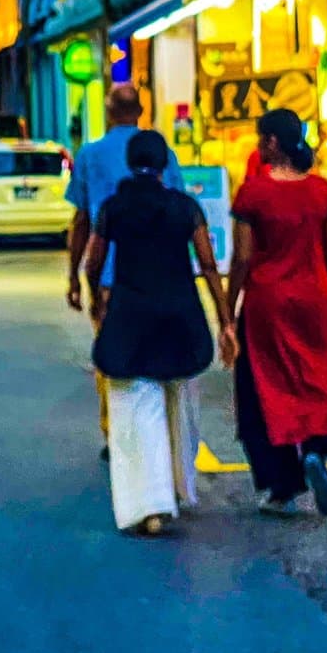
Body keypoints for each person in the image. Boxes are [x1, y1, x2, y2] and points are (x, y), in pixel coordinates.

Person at [85, 131, 237, 535]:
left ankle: (149, 505)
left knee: (136, 405)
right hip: (180, 319)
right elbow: (208, 266)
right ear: (165, 164)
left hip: (130, 319)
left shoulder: (113, 208)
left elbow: (93, 261)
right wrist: (226, 323)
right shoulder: (185, 208)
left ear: (130, 163)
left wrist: (95, 300)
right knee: (181, 404)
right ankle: (179, 488)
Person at [227, 108, 327, 518]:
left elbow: (242, 257)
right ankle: (317, 453)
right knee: (317, 380)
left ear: (272, 142)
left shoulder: (252, 193)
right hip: (313, 300)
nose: (257, 146)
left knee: (262, 391)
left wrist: (228, 306)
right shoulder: (321, 191)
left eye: (260, 139)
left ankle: (283, 486)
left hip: (267, 304)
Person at [66, 84, 185, 461]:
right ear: (142, 108)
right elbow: (181, 210)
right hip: (161, 274)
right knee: (159, 352)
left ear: (108, 111)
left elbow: (82, 220)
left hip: (110, 278)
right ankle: (160, 431)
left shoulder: (90, 155)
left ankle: (115, 431)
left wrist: (74, 276)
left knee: (113, 355)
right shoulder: (162, 153)